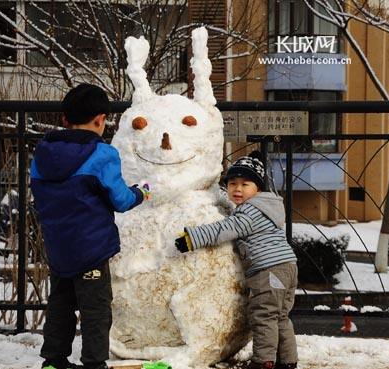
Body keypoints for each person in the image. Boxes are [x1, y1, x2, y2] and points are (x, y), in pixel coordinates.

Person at [30, 84, 151, 369]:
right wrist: (141, 192)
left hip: (58, 247)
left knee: (61, 304)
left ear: (64, 120)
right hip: (91, 248)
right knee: (95, 310)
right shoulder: (102, 154)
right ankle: (94, 364)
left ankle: (53, 361)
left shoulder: (43, 152)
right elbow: (120, 200)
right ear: (100, 119)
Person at [175, 151, 299, 369]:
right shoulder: (266, 208)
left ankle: (264, 361)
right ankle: (288, 361)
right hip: (287, 266)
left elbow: (227, 228)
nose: (238, 189)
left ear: (258, 188)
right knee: (280, 316)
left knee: (264, 316)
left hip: (268, 269)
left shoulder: (250, 212)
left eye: (245, 184)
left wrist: (193, 238)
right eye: (232, 184)